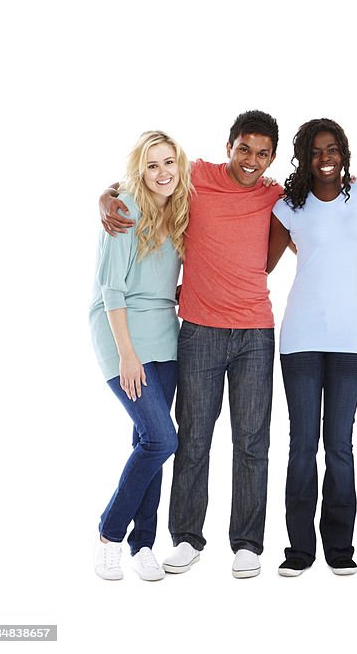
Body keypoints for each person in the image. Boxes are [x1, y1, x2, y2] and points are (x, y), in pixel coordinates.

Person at [100, 111, 282, 579]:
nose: (251, 160)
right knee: (191, 438)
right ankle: (185, 538)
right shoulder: (194, 176)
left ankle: (247, 544)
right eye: (244, 149)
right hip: (198, 330)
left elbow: (321, 205)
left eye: (262, 154)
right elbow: (146, 177)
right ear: (228, 146)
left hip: (256, 332)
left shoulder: (274, 194)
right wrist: (107, 195)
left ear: (272, 159)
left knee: (252, 440)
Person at [267, 118, 357, 578]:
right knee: (302, 444)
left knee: (340, 447)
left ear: (343, 152)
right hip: (301, 339)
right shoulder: (290, 206)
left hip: (350, 339)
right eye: (315, 151)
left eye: (332, 149)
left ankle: (339, 548)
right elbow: (262, 263)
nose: (325, 158)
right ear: (303, 158)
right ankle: (299, 549)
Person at [90, 131, 191, 580]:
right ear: (139, 170)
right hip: (120, 330)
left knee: (146, 441)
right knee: (162, 439)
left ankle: (142, 545)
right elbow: (111, 289)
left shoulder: (183, 205)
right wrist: (127, 356)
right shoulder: (124, 209)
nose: (163, 172)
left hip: (165, 332)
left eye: (169, 162)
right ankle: (110, 535)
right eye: (152, 165)